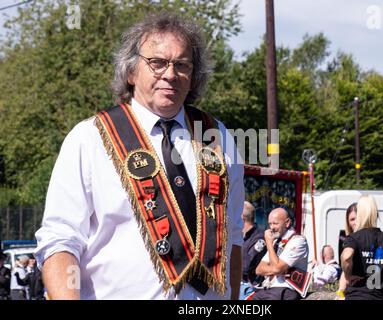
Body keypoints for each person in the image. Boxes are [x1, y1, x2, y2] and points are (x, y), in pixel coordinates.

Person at [34, 12, 244, 300]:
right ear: (130, 71)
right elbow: (60, 240)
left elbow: (232, 237)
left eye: (182, 64)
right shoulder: (90, 137)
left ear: (193, 76)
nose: (170, 74)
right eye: (157, 63)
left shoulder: (217, 136)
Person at [251, 208, 309, 300]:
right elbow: (258, 270)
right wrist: (276, 269)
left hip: (285, 289)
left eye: (275, 223)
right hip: (268, 288)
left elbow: (277, 268)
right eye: (270, 224)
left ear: (287, 223)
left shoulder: (298, 241)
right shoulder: (276, 242)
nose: (272, 227)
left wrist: (269, 243)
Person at [340, 195, 383, 300]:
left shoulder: (354, 238)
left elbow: (346, 256)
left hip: (357, 295)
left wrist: (348, 276)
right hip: (379, 296)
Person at [240, 201, 266, 299]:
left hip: (248, 288)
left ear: (242, 218)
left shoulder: (259, 238)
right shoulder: (240, 235)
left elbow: (245, 267)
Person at [336, 203, 357, 299]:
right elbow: (345, 270)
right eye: (352, 219)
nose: (355, 222)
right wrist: (340, 293)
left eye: (357, 218)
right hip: (352, 291)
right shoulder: (348, 240)